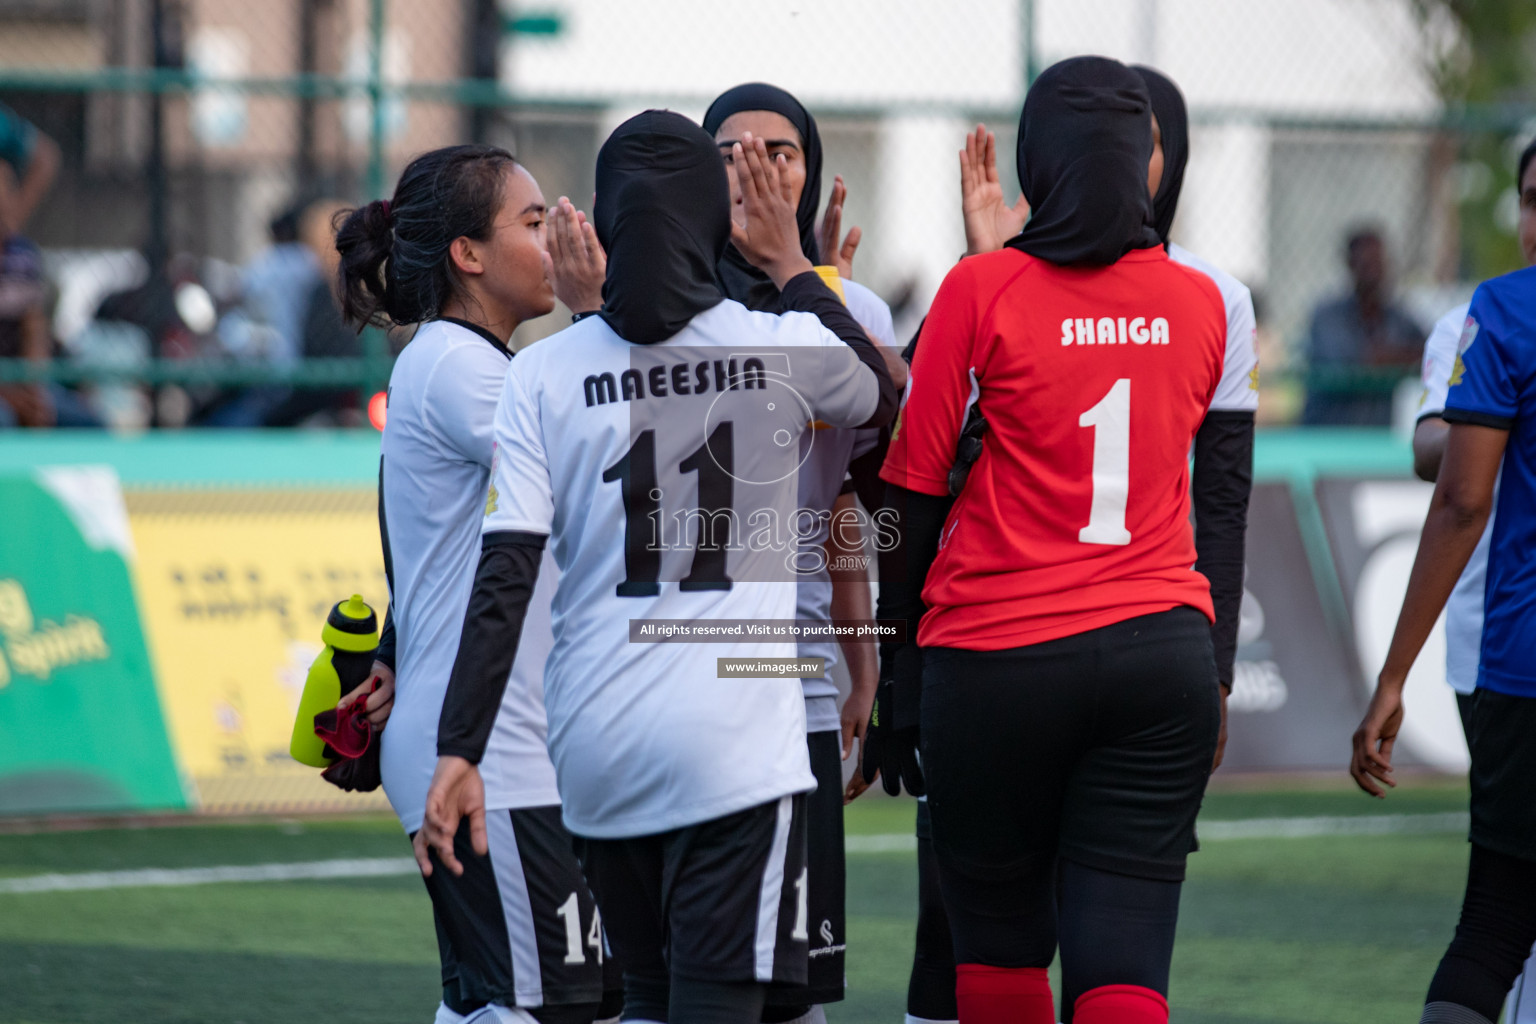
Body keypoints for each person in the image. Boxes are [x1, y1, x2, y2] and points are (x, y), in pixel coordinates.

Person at [415, 110, 897, 1024]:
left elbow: (505, 574)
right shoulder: (778, 346)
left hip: (595, 748)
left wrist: (459, 748)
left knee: (641, 1001)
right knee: (720, 1006)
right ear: (712, 220)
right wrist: (796, 266)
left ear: (604, 220)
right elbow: (882, 391)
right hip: (734, 746)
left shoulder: (542, 375)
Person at [887, 64, 1259, 1024]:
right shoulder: (1206, 304)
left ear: (1036, 162)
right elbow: (1219, 500)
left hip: (996, 657)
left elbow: (914, 498)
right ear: (1143, 165)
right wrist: (1214, 671)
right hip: (1161, 656)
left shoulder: (979, 289)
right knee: (1126, 970)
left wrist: (893, 674)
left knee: (1003, 957)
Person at [333, 144, 618, 1024]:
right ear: (468, 254)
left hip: (496, 738)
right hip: (488, 750)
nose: (556, 237)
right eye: (532, 224)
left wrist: (391, 649)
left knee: (512, 1003)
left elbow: (446, 542)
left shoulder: (470, 363)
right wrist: (599, 313)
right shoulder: (457, 363)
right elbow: (600, 464)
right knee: (542, 1007)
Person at [702, 81, 900, 1024]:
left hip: (796, 673)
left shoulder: (851, 306)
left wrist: (861, 661)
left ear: (810, 167)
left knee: (796, 983)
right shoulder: (669, 299)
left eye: (779, 151)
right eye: (733, 149)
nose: (756, 166)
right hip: (675, 671)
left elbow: (856, 494)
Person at [1367, 136, 1536, 1024]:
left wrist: (1390, 678)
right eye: (1532, 198)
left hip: (1517, 654)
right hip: (1501, 647)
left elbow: (1461, 499)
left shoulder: (1505, 313)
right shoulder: (1483, 317)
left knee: (1498, 918)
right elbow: (1446, 466)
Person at [1302, 226, 1424, 425]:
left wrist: (1392, 356)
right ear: (1350, 265)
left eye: (1378, 264)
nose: (1374, 273)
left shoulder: (1398, 316)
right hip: (1327, 433)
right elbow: (1358, 361)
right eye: (1366, 264)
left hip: (1378, 436)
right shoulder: (1327, 316)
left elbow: (1429, 351)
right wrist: (1400, 357)